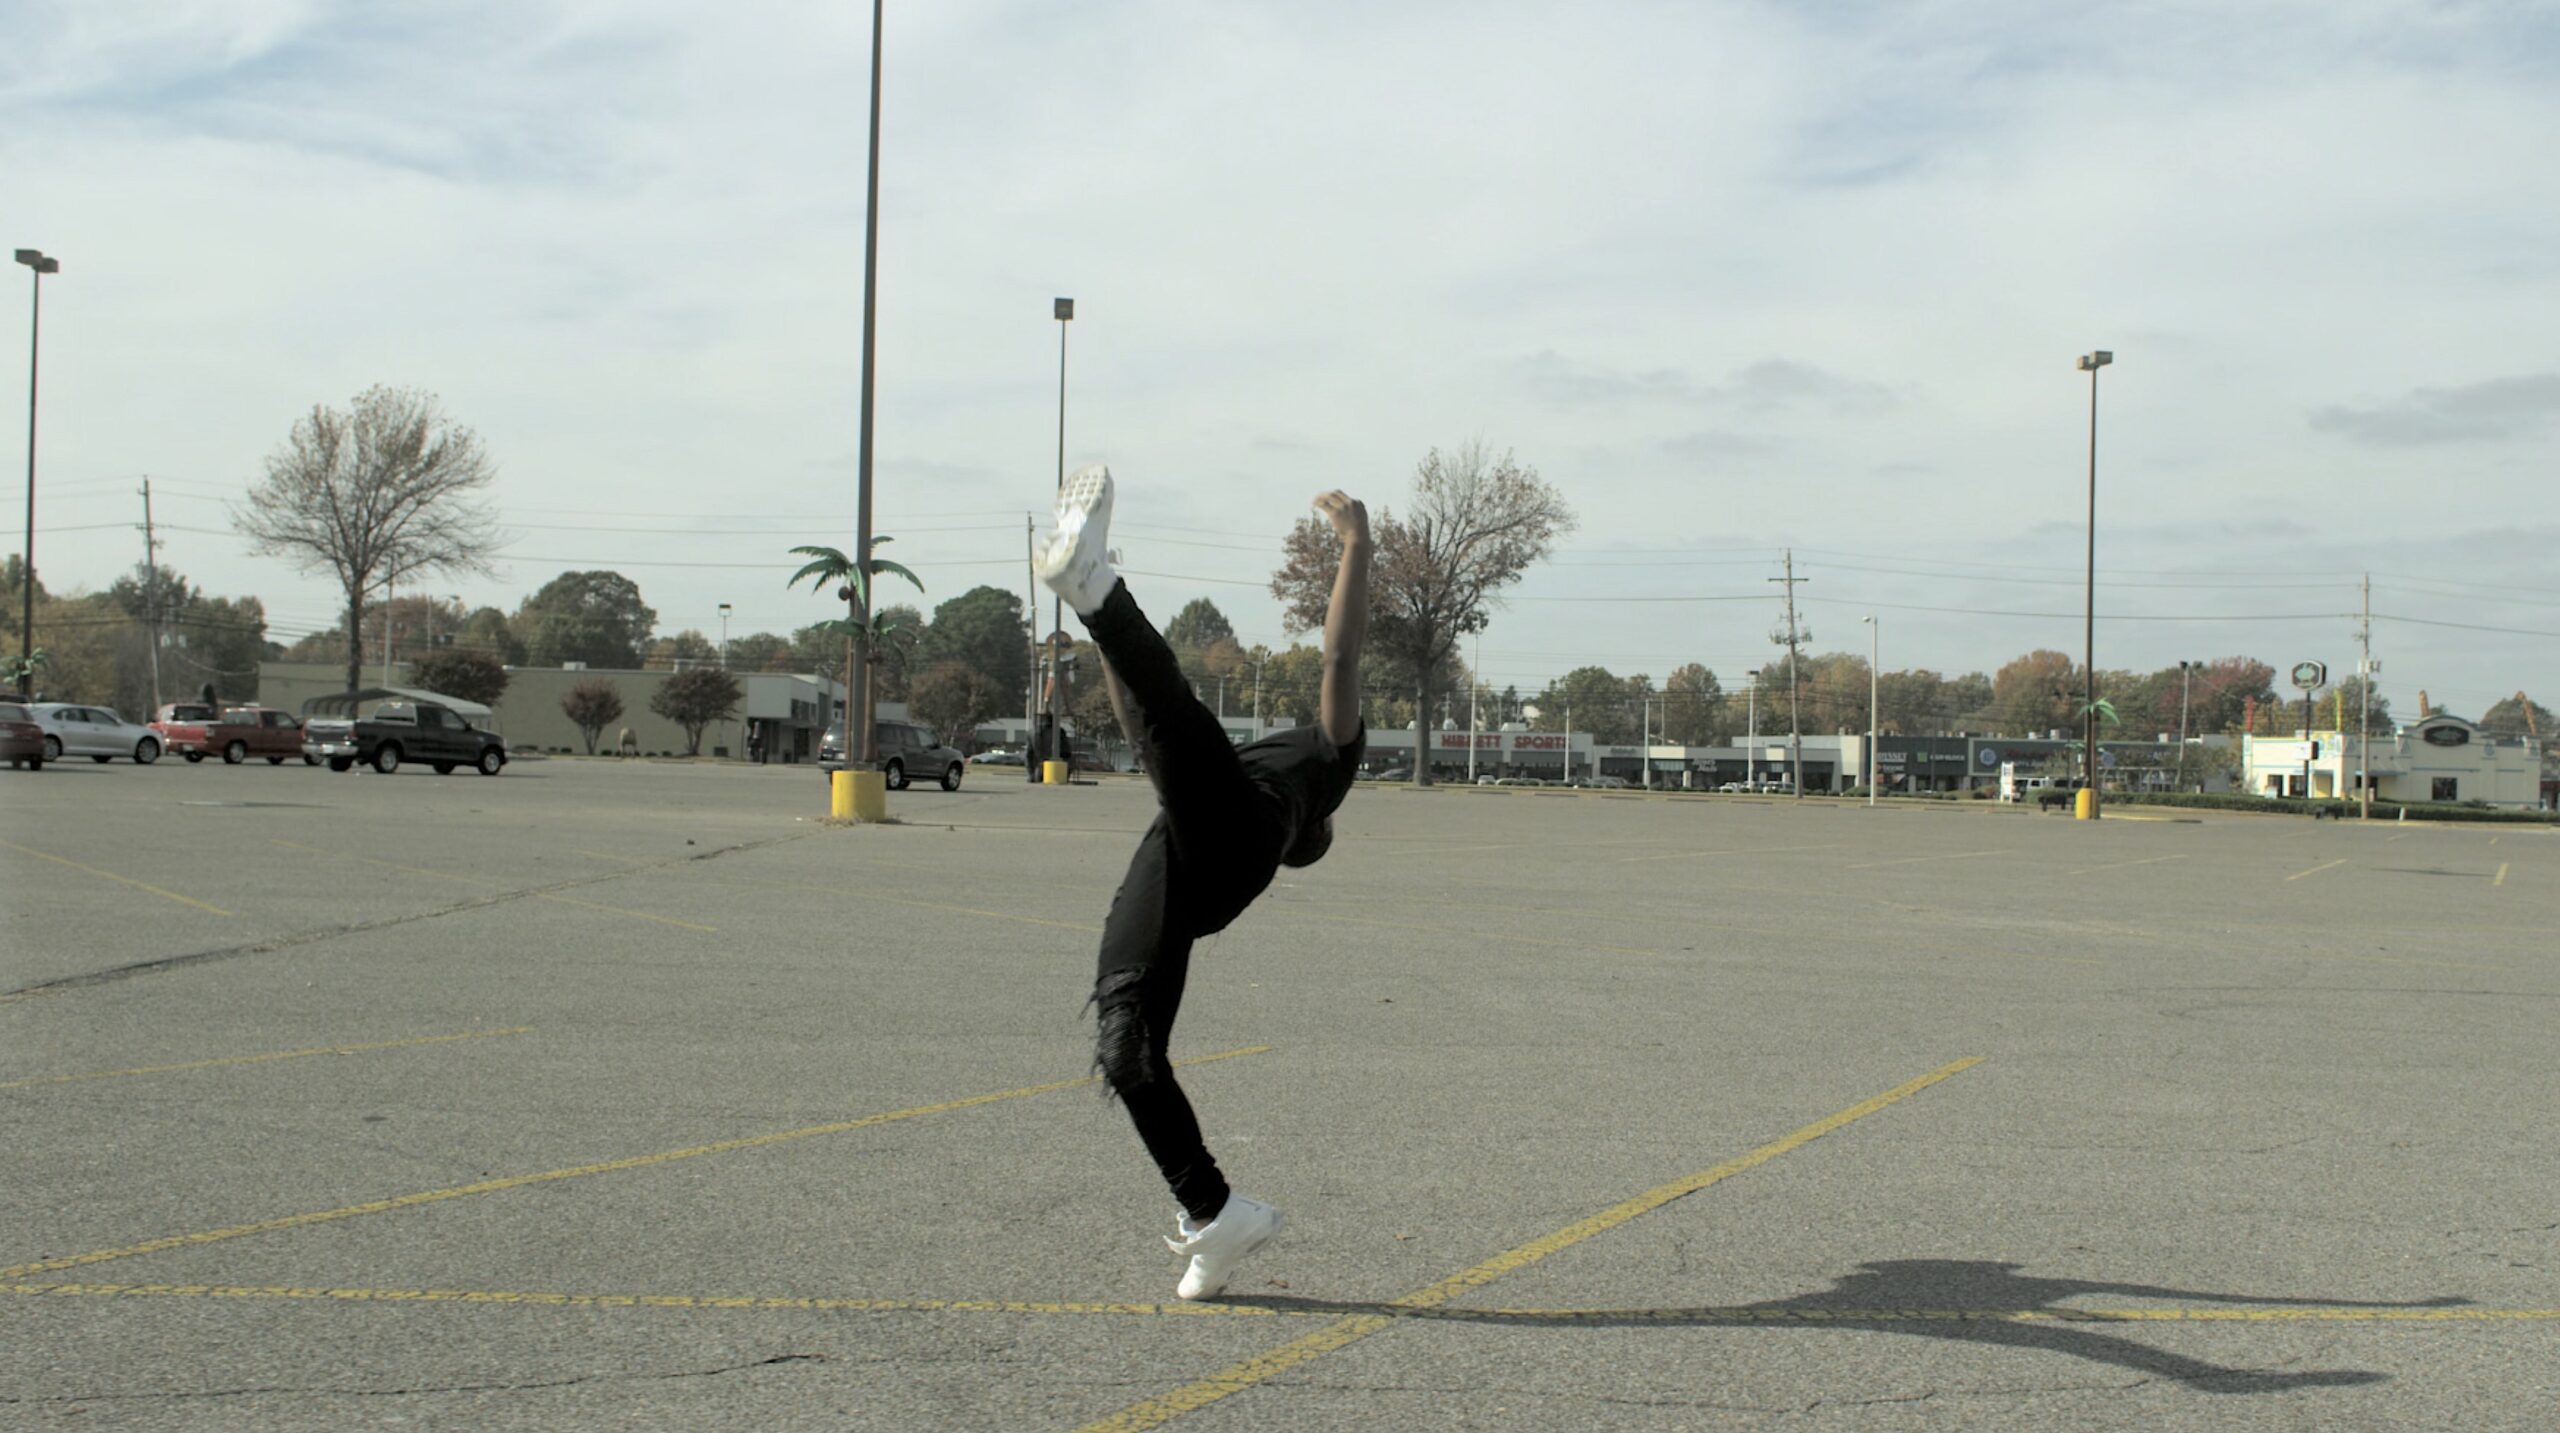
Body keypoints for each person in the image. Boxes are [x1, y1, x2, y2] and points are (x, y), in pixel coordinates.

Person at [1034, 464, 1370, 1301]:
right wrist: (1105, 627)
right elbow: (1146, 732)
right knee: (1125, 1047)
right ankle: (1215, 1216)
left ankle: (1096, 588)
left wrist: (1359, 544)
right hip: (1185, 865)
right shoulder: (1275, 781)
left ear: (1313, 832)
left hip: (1230, 844)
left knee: (1178, 721)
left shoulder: (1323, 771)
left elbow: (1340, 653)